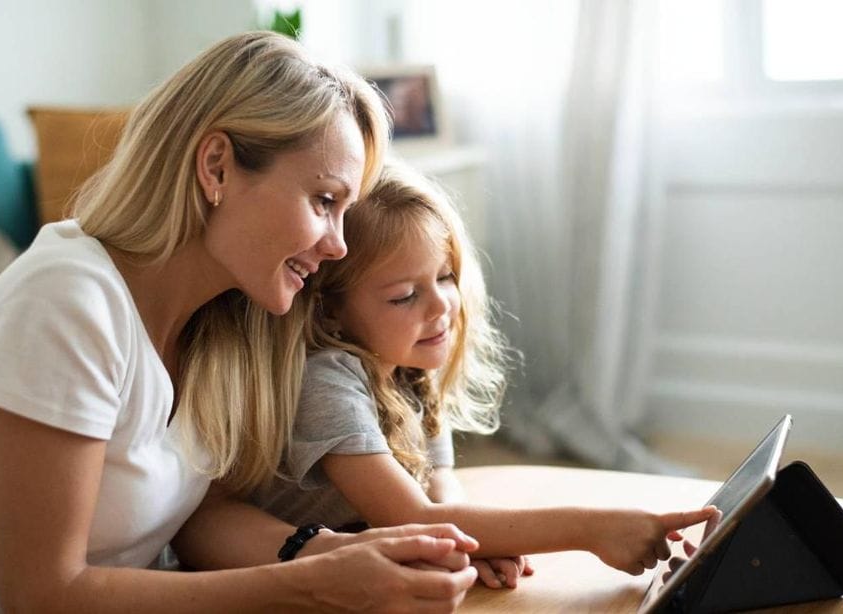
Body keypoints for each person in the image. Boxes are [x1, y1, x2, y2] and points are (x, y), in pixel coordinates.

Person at [0, 32, 482, 613]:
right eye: (324, 201)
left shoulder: (224, 322)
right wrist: (309, 584)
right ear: (215, 167)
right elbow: (43, 594)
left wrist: (327, 550)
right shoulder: (67, 302)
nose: (338, 245)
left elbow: (200, 513)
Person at [252, 162, 718, 589]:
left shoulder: (406, 370)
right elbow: (413, 515)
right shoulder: (327, 383)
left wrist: (474, 545)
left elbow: (440, 488)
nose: (440, 307)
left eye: (446, 276)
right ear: (331, 312)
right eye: (403, 296)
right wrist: (593, 528)